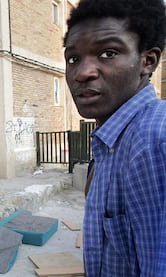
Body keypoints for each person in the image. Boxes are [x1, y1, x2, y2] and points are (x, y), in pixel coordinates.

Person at [63, 0, 166, 275]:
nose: (83, 73)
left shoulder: (154, 140)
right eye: (73, 58)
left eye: (108, 53)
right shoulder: (110, 144)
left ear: (148, 61)